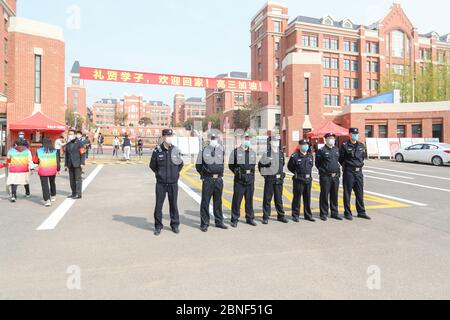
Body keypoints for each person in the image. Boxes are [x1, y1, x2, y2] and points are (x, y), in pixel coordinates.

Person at [150, 129, 184, 236]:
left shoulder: (175, 150)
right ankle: (158, 226)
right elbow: (152, 165)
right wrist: (159, 173)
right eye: (168, 135)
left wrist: (175, 174)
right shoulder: (157, 150)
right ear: (163, 137)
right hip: (161, 183)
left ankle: (174, 225)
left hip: (173, 183)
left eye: (171, 135)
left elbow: (180, 164)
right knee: (159, 205)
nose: (170, 137)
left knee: (173, 204)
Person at [196, 133, 228, 232]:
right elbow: (198, 166)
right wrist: (204, 175)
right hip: (208, 180)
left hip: (218, 179)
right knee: (205, 202)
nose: (214, 140)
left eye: (215, 138)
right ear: (209, 139)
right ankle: (204, 223)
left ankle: (219, 222)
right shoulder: (203, 151)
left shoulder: (221, 150)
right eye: (212, 138)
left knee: (218, 201)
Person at [339, 128, 371, 221]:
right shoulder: (344, 146)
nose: (355, 135)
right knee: (347, 193)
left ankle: (361, 212)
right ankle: (347, 213)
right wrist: (348, 166)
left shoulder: (361, 145)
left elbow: (362, 158)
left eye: (356, 133)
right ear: (349, 134)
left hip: (359, 172)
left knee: (360, 193)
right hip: (349, 172)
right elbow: (340, 159)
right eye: (353, 133)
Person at [258, 135, 288, 225]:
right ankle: (265, 216)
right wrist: (266, 176)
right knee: (267, 199)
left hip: (279, 180)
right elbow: (260, 166)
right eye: (274, 141)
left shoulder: (281, 153)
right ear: (270, 143)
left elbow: (282, 165)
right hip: (270, 180)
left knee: (279, 199)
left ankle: (281, 216)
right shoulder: (266, 154)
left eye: (277, 141)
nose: (276, 142)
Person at [229, 133, 257, 228]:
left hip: (250, 180)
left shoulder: (252, 152)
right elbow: (231, 165)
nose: (247, 140)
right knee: (237, 200)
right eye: (246, 138)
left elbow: (253, 165)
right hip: (239, 180)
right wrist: (237, 172)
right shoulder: (236, 152)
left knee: (249, 200)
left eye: (248, 138)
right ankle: (234, 219)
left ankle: (249, 218)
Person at [315, 133, 342, 221]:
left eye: (333, 138)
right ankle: (323, 213)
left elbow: (339, 161)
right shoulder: (321, 150)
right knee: (324, 195)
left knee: (334, 195)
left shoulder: (336, 149)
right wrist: (324, 170)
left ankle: (334, 213)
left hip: (335, 176)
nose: (332, 139)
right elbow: (318, 164)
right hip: (325, 177)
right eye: (330, 138)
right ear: (325, 139)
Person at [288, 140, 316, 223]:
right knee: (297, 198)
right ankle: (295, 215)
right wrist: (297, 173)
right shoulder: (295, 156)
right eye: (303, 145)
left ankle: (308, 215)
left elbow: (311, 166)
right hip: (298, 180)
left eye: (306, 144)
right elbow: (290, 167)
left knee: (307, 198)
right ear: (299, 146)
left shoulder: (310, 156)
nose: (305, 146)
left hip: (308, 180)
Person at [36, 138, 60, 207]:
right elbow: (57, 161)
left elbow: (36, 161)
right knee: (52, 182)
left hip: (43, 170)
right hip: (52, 170)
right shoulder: (54, 151)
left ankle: (47, 200)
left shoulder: (39, 151)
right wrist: (58, 169)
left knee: (45, 185)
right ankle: (53, 195)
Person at [65, 129, 86, 199]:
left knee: (78, 179)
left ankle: (78, 194)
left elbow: (83, 154)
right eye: (69, 134)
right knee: (71, 179)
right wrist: (66, 165)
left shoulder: (80, 143)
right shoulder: (68, 144)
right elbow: (66, 155)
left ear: (75, 135)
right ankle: (73, 193)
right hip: (70, 164)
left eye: (71, 134)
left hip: (77, 163)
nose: (70, 135)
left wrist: (82, 163)